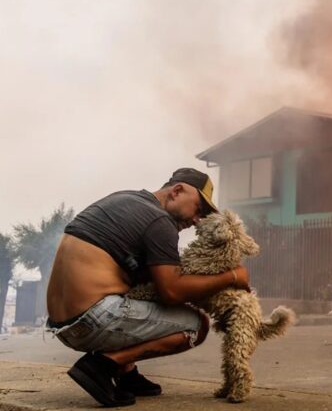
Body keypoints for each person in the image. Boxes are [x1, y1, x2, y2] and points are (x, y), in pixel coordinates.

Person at [46, 168, 251, 407]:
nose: (197, 220)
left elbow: (143, 283)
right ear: (177, 191)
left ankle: (126, 374)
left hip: (62, 325)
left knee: (139, 291)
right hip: (94, 318)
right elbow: (171, 292)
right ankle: (103, 366)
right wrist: (232, 277)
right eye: (198, 209)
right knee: (197, 325)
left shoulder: (125, 199)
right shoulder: (159, 221)